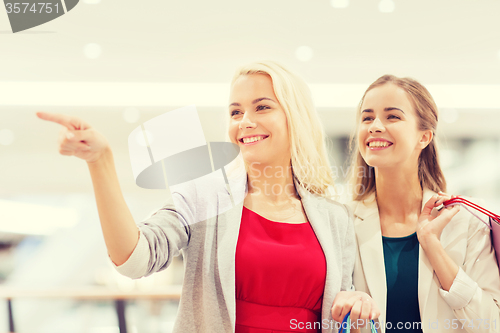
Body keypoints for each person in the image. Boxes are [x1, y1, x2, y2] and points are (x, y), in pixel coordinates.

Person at [38, 61, 379, 333]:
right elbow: (135, 259)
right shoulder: (204, 197)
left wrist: (357, 301)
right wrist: (101, 162)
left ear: (295, 117)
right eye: (235, 112)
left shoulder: (334, 217)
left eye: (262, 107)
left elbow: (344, 307)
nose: (245, 121)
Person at [347, 74, 500, 333]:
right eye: (367, 117)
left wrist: (433, 246)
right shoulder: (342, 220)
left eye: (392, 116)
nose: (374, 125)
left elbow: (492, 323)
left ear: (424, 137)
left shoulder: (465, 220)